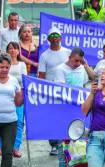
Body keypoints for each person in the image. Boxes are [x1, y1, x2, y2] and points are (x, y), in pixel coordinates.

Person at [54, 47, 95, 167]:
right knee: (64, 139)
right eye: (76, 60)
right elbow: (61, 89)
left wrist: (85, 65)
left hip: (79, 108)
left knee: (81, 137)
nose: (78, 63)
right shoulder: (60, 69)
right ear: (69, 57)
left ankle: (80, 165)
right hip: (65, 109)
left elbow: (90, 81)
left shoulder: (82, 68)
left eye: (80, 61)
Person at [38, 27, 71, 156]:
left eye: (57, 36)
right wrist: (41, 90)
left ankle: (64, 143)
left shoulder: (68, 52)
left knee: (63, 117)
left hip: (65, 90)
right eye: (52, 36)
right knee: (52, 118)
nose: (55, 38)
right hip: (50, 91)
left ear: (61, 38)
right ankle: (54, 144)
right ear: (49, 39)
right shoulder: (44, 55)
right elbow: (41, 75)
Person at [0, 42, 27, 158]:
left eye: (15, 48)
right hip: (5, 95)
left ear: (18, 51)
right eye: (10, 49)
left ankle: (16, 147)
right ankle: (0, 147)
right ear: (6, 51)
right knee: (1, 121)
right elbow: (0, 75)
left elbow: (24, 79)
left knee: (19, 122)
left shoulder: (22, 64)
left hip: (19, 95)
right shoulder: (3, 64)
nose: (13, 51)